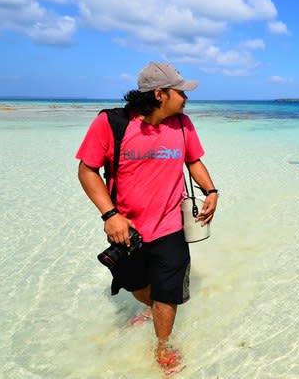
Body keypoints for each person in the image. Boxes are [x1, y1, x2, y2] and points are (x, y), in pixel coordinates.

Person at [76, 62, 218, 371]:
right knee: (137, 287)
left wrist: (211, 191)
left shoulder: (183, 124)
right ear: (159, 94)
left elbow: (194, 161)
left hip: (171, 226)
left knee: (168, 293)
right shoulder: (111, 123)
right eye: (180, 91)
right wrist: (109, 215)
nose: (185, 97)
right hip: (126, 229)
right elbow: (87, 170)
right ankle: (152, 308)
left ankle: (163, 346)